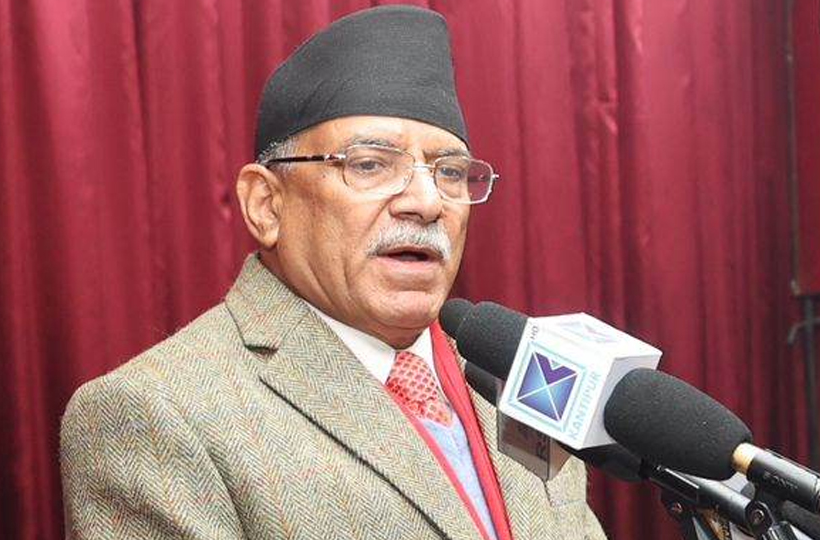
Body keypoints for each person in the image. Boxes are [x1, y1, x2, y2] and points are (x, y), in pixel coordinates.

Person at [60, 5, 606, 540]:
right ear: (266, 205)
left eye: (450, 172)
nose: (426, 202)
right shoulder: (154, 413)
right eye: (370, 164)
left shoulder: (518, 375)